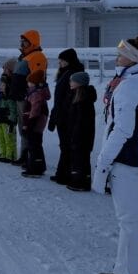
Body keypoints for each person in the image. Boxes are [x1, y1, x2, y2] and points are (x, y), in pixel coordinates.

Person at [92, 36, 138, 274]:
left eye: (121, 54)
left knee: (128, 219)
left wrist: (103, 163)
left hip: (125, 159)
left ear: (133, 59)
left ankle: (127, 273)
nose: (117, 58)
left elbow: (121, 130)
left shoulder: (129, 87)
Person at [48, 48, 85, 184]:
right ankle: (62, 173)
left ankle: (65, 174)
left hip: (67, 115)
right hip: (61, 114)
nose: (60, 63)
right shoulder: (65, 73)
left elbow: (68, 98)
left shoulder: (73, 74)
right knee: (64, 145)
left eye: (62, 61)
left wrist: (61, 113)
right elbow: (58, 98)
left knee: (67, 145)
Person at [14, 30, 47, 165]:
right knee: (22, 127)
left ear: (32, 42)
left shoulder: (37, 56)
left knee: (28, 128)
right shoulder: (24, 57)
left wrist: (31, 95)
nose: (22, 44)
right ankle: (24, 154)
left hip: (28, 98)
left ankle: (29, 156)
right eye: (21, 41)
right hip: (19, 97)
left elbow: (37, 77)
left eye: (25, 41)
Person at [65, 71, 97, 191]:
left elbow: (82, 121)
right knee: (80, 158)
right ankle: (81, 180)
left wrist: (75, 135)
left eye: (72, 81)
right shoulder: (76, 96)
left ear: (79, 83)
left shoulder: (83, 99)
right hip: (79, 134)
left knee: (80, 158)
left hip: (82, 136)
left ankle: (80, 181)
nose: (70, 83)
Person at [21, 69, 51, 177]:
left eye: (29, 82)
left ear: (34, 83)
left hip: (34, 124)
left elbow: (35, 110)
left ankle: (35, 168)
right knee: (36, 145)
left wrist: (29, 124)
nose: (28, 84)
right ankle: (39, 165)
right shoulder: (36, 92)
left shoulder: (35, 94)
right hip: (37, 124)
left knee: (34, 146)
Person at [0, 77, 18, 163]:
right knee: (1, 139)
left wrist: (12, 122)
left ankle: (10, 156)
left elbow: (13, 110)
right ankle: (3, 154)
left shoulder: (10, 97)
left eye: (2, 84)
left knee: (9, 139)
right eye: (0, 84)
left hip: (7, 122)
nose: (0, 86)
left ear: (7, 86)